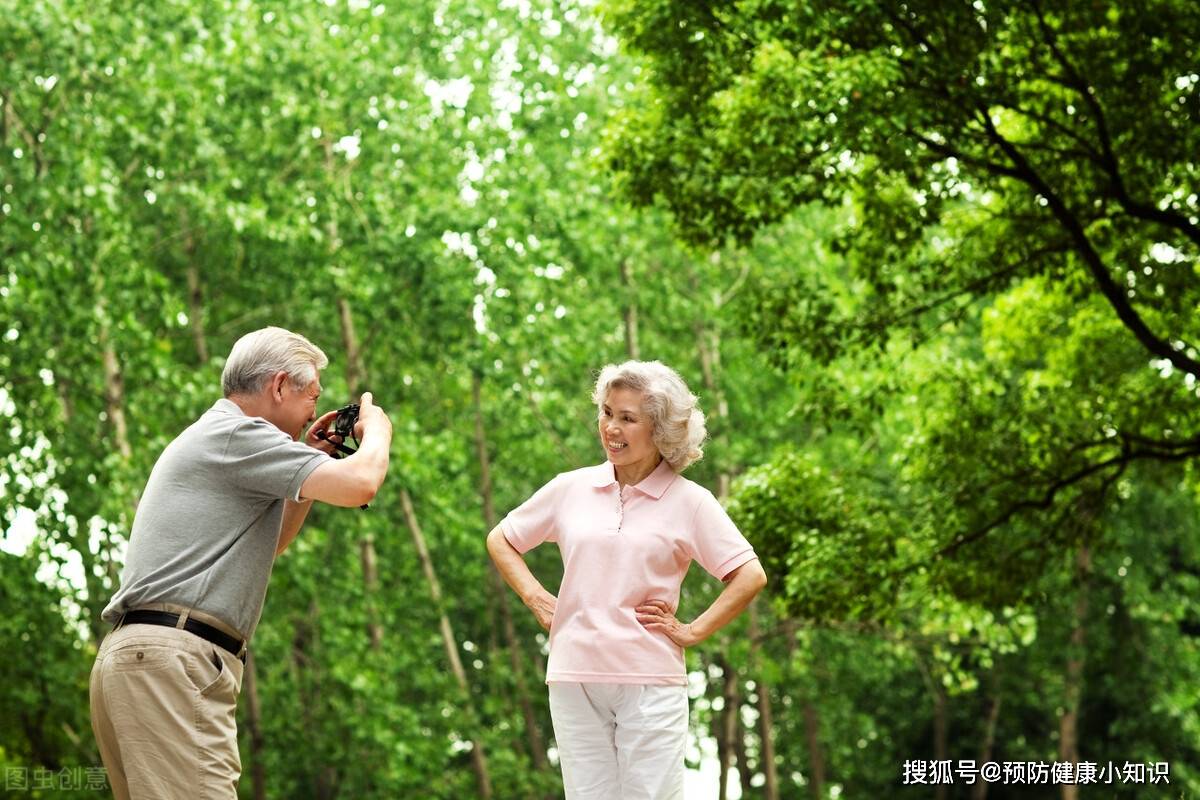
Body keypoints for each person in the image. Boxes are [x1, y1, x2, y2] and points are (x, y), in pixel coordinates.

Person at [89, 326, 392, 800]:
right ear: (277, 386)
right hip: (176, 662)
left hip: (143, 659)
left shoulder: (222, 437)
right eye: (311, 395)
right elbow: (361, 484)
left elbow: (270, 544)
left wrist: (315, 457)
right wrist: (377, 432)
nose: (315, 410)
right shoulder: (238, 434)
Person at [487, 360, 768, 800]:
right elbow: (502, 539)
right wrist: (536, 597)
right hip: (573, 675)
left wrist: (691, 631)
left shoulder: (690, 501)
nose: (611, 428)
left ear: (660, 429)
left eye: (627, 418)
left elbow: (749, 575)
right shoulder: (570, 489)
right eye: (606, 412)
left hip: (649, 681)